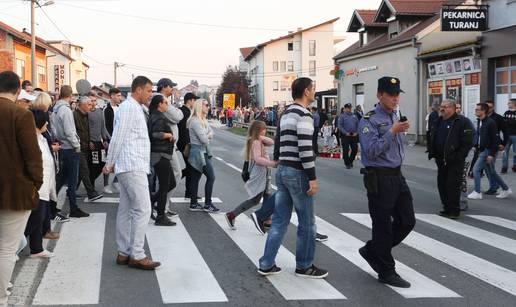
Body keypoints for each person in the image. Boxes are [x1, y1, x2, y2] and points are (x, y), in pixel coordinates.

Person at [258, 77, 328, 279]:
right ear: (306, 91)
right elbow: (305, 149)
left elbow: (279, 141)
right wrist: (312, 178)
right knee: (307, 223)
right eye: (313, 89)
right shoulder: (304, 115)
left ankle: (266, 263)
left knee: (279, 221)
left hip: (283, 170)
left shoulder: (286, 113)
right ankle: (304, 266)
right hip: (298, 172)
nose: (314, 92)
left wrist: (279, 160)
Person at [357, 77, 415, 288]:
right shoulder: (369, 119)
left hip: (397, 175)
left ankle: (373, 250)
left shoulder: (395, 115)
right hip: (379, 177)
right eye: (391, 95)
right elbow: (371, 150)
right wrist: (392, 132)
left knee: (407, 221)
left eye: (397, 94)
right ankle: (386, 270)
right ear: (380, 95)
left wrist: (398, 130)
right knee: (382, 226)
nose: (395, 99)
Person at [103, 76, 161, 270]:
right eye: (148, 91)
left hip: (132, 164)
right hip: (131, 165)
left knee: (127, 210)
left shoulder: (135, 108)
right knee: (143, 209)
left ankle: (124, 252)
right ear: (138, 90)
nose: (150, 95)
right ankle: (137, 254)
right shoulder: (129, 108)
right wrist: (109, 162)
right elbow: (117, 137)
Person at [0, 71, 43, 306]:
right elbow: (32, 155)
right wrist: (36, 183)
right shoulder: (20, 114)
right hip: (15, 191)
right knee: (6, 249)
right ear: (18, 90)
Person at [225, 121, 278, 229]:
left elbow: (271, 141)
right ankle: (232, 215)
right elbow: (258, 159)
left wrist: (260, 137)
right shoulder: (256, 142)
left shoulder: (257, 140)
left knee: (267, 195)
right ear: (259, 130)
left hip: (264, 173)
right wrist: (273, 163)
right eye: (263, 129)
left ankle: (266, 219)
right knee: (255, 199)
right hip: (259, 174)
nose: (265, 131)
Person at [427, 99, 473, 219]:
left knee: (452, 184)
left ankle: (454, 210)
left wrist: (459, 156)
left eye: (445, 107)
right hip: (440, 159)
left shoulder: (462, 121)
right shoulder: (438, 120)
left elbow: (467, 142)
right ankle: (446, 207)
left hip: (455, 160)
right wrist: (432, 151)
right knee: (441, 184)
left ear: (452, 108)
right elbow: (431, 135)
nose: (442, 108)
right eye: (441, 106)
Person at [52, 85, 90, 218]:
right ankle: (73, 209)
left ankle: (51, 206)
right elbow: (69, 131)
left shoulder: (56, 109)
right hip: (70, 147)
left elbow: (55, 129)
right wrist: (76, 145)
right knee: (72, 180)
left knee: (61, 179)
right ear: (70, 95)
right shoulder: (66, 110)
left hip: (62, 146)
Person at [24, 109, 57, 258]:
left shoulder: (42, 138)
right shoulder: (31, 139)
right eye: (46, 120)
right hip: (36, 186)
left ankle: (36, 248)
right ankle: (14, 246)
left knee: (40, 217)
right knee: (35, 218)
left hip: (44, 185)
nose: (48, 122)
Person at [468, 103, 512, 199]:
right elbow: (480, 136)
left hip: (487, 150)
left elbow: (495, 139)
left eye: (477, 109)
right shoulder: (480, 121)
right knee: (492, 172)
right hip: (481, 149)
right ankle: (506, 189)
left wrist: (491, 154)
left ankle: (477, 192)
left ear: (483, 111)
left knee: (476, 170)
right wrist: (476, 146)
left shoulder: (490, 122)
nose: (475, 111)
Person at [148, 95, 177, 226]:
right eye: (165, 103)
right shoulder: (158, 116)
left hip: (163, 154)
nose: (167, 105)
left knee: (171, 183)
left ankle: (152, 200)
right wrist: (169, 135)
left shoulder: (156, 115)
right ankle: (160, 216)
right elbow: (155, 134)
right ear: (159, 104)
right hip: (160, 154)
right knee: (166, 185)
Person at [188, 99, 219, 213]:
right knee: (211, 177)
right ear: (200, 107)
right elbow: (205, 139)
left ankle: (194, 203)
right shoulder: (195, 121)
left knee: (196, 178)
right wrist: (208, 135)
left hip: (201, 151)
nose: (208, 107)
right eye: (206, 105)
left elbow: (212, 133)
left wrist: (208, 135)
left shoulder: (203, 120)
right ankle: (207, 204)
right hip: (199, 152)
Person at [157, 78, 183, 205]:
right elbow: (178, 116)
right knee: (175, 174)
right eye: (171, 86)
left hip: (169, 145)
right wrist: (177, 112)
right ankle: (161, 204)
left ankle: (161, 204)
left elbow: (177, 114)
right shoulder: (161, 100)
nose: (172, 88)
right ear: (163, 87)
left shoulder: (166, 100)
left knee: (168, 176)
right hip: (166, 145)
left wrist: (176, 112)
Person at [73, 96, 103, 202]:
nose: (91, 106)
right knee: (84, 170)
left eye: (93, 103)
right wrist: (79, 144)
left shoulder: (85, 115)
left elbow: (89, 131)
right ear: (83, 105)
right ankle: (91, 193)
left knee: (80, 172)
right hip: (78, 147)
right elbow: (75, 132)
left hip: (86, 146)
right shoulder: (74, 115)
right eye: (89, 104)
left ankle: (70, 191)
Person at [87, 92, 111, 193]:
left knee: (103, 162)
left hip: (100, 142)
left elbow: (103, 126)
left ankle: (91, 181)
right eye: (91, 101)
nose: (93, 103)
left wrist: (105, 139)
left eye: (94, 100)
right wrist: (89, 141)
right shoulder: (86, 113)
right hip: (91, 143)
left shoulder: (100, 111)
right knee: (93, 165)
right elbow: (85, 129)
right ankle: (91, 186)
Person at [177, 93, 199, 200]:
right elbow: (184, 131)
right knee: (191, 168)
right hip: (185, 144)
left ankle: (189, 192)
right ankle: (175, 180)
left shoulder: (186, 111)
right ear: (189, 101)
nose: (195, 103)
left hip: (184, 144)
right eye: (194, 100)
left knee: (190, 168)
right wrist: (187, 145)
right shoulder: (184, 112)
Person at [484, 100, 508, 195]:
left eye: (490, 107)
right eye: (486, 107)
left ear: (493, 107)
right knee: (486, 167)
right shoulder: (483, 117)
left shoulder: (498, 118)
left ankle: (494, 186)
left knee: (490, 167)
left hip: (494, 145)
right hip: (483, 146)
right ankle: (495, 185)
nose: (488, 109)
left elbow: (505, 131)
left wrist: (503, 143)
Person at [103, 87, 122, 192]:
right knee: (108, 161)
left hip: (120, 138)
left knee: (120, 161)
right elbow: (105, 125)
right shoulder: (106, 109)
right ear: (112, 96)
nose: (119, 98)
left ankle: (116, 181)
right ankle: (106, 185)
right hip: (111, 139)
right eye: (118, 95)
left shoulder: (120, 108)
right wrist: (108, 139)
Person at [339, 103, 359, 169]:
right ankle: (347, 163)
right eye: (347, 108)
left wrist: (357, 132)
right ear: (344, 109)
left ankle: (350, 161)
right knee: (346, 150)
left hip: (354, 135)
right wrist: (345, 133)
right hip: (345, 136)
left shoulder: (354, 116)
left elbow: (358, 125)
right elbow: (340, 126)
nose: (349, 109)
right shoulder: (342, 116)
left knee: (355, 149)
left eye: (350, 108)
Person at [501, 99, 516, 173]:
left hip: (515, 135)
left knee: (515, 152)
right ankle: (504, 167)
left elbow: (511, 122)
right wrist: (511, 121)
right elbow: (503, 122)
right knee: (504, 151)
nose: (508, 104)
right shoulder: (506, 112)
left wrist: (508, 121)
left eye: (509, 103)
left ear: (514, 104)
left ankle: (515, 166)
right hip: (506, 136)